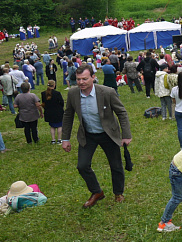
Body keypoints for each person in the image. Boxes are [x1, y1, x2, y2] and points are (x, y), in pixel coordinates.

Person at [61, 65, 132, 208]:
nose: (81, 82)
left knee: (116, 165)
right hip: (88, 135)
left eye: (85, 79)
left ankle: (118, 193)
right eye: (78, 79)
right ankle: (97, 192)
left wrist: (126, 135)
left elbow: (122, 112)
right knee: (82, 166)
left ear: (93, 77)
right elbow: (68, 115)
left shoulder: (107, 92)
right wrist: (65, 138)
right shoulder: (73, 94)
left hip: (108, 134)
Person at [41, 80, 64, 144]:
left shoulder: (43, 93)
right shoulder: (57, 93)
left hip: (49, 112)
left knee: (52, 126)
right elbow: (62, 102)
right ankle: (59, 139)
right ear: (54, 85)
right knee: (59, 126)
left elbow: (43, 103)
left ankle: (53, 140)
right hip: (57, 111)